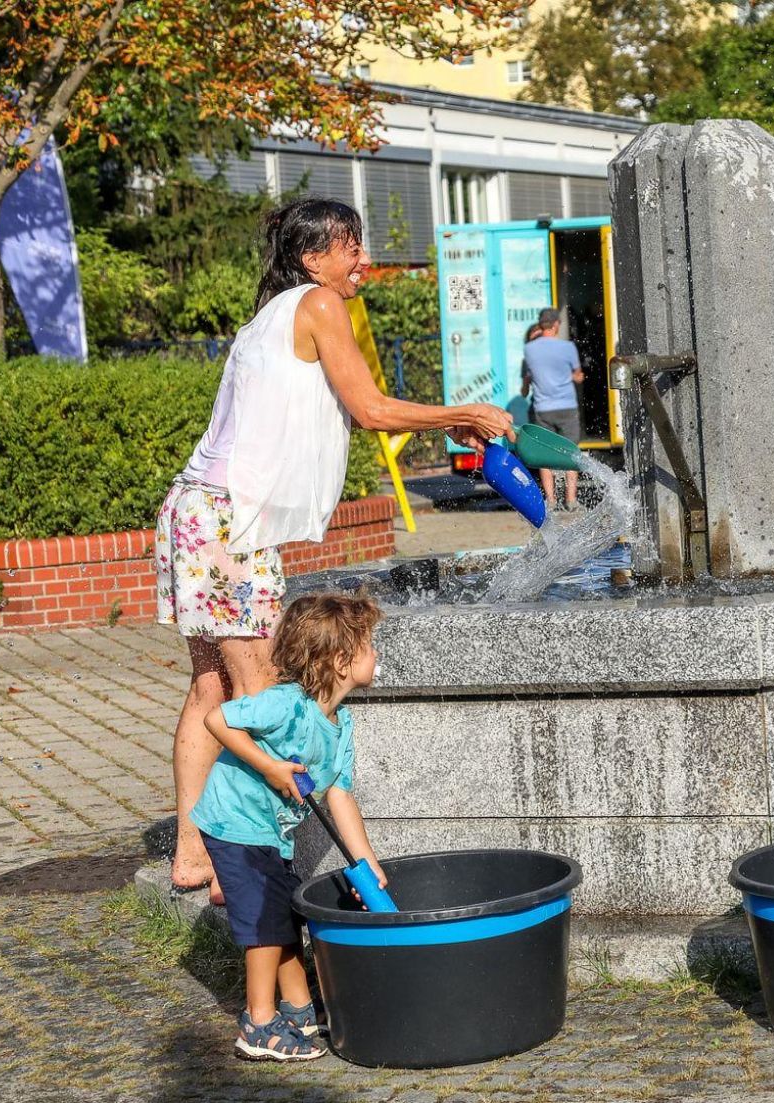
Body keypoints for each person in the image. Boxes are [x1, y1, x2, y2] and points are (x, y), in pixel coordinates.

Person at [159, 197, 516, 900]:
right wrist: (465, 411)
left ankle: (192, 851)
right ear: (311, 257)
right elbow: (371, 408)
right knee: (259, 692)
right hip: (231, 522)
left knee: (212, 686)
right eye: (351, 247)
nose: (364, 262)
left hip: (196, 509)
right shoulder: (319, 302)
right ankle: (245, 862)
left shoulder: (268, 316)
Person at [189, 593, 385, 1061]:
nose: (376, 653)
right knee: (265, 921)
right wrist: (272, 767)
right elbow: (217, 718)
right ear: (341, 661)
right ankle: (257, 1023)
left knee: (286, 913)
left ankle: (297, 1008)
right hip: (234, 819)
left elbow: (339, 794)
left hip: (268, 831)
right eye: (370, 645)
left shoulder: (341, 725)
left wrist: (367, 863)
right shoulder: (284, 705)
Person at [524, 306, 586, 511]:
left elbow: (532, 376)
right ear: (557, 325)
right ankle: (571, 500)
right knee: (571, 452)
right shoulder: (568, 348)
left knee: (544, 454)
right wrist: (570, 377)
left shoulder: (529, 350)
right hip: (566, 406)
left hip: (543, 409)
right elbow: (577, 375)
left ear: (541, 326)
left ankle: (550, 500)